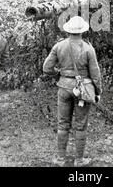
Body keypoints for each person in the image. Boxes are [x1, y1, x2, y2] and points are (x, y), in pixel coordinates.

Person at [43, 16, 102, 167]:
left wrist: (59, 74)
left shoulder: (59, 46)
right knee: (81, 124)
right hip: (82, 90)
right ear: (83, 31)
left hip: (63, 87)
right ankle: (80, 160)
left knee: (63, 123)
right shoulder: (88, 48)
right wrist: (97, 91)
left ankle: (61, 159)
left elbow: (46, 68)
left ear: (68, 30)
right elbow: (95, 75)